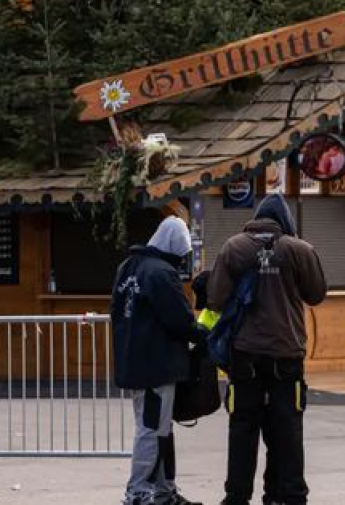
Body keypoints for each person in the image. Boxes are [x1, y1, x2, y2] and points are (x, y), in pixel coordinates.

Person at [208, 194, 328, 505]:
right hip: (286, 352)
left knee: (242, 426)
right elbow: (316, 295)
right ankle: (287, 495)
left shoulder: (233, 247)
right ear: (284, 220)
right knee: (287, 427)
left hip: (244, 353)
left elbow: (216, 299)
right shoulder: (300, 249)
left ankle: (236, 496)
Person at [111, 215, 207, 505]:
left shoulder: (127, 267)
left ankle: (164, 492)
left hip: (134, 361)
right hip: (157, 365)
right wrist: (204, 333)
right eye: (182, 255)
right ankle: (138, 493)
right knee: (152, 431)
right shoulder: (162, 273)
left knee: (158, 429)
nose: (182, 262)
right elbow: (179, 320)